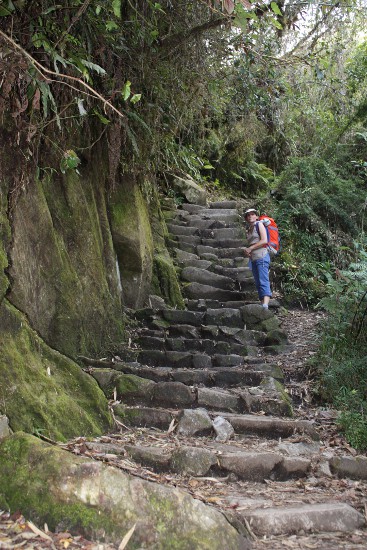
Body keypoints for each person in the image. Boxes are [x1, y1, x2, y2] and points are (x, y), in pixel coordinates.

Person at [243, 208, 272, 309]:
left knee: (263, 279)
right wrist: (248, 251)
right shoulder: (249, 230)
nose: (250, 216)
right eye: (248, 215)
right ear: (246, 218)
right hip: (254, 258)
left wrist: (250, 248)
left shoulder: (259, 224)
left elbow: (264, 240)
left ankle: (265, 304)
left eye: (252, 214)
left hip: (262, 256)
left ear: (256, 216)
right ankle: (262, 303)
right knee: (258, 281)